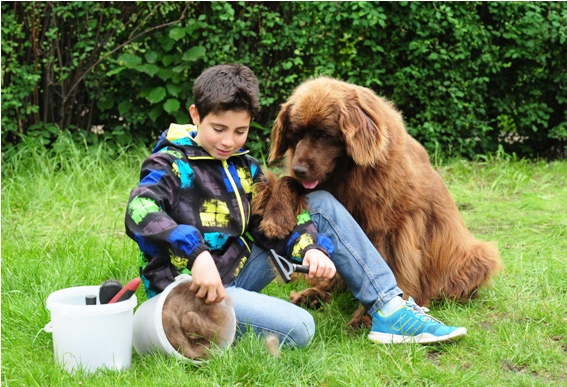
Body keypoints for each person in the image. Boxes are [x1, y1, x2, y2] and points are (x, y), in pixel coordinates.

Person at [125, 63, 466, 348]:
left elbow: (265, 226)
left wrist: (310, 249)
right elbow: (140, 212)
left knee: (320, 202)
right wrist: (196, 253)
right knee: (300, 329)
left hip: (235, 273)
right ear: (195, 115)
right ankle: (203, 323)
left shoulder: (244, 167)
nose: (229, 141)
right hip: (188, 290)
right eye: (218, 129)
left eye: (240, 131)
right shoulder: (168, 163)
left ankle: (389, 307)